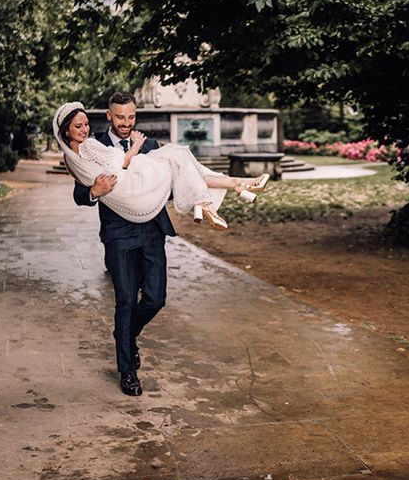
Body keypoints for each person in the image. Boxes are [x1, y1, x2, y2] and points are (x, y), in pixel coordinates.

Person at [53, 93, 268, 397]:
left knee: (155, 298)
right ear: (109, 116)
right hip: (120, 236)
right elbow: (79, 194)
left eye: (131, 117)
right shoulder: (91, 145)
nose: (126, 124)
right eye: (120, 118)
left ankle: (126, 334)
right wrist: (94, 191)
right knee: (126, 301)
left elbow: (169, 183)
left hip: (152, 230)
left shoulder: (150, 145)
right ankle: (128, 370)